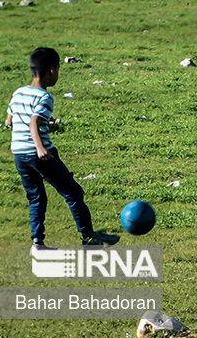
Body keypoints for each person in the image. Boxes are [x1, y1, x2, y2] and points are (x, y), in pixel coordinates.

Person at [7, 47, 118, 248]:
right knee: (73, 192)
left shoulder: (19, 92)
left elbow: (10, 121)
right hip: (40, 154)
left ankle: (37, 243)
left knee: (36, 198)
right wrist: (40, 147)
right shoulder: (44, 97)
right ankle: (88, 237)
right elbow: (34, 122)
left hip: (19, 154)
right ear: (51, 70)